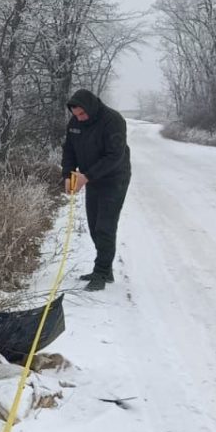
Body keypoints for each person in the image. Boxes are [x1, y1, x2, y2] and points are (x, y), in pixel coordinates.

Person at [60, 89, 131, 290]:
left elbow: (114, 156)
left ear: (90, 107)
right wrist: (68, 174)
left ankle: (101, 273)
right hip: (91, 179)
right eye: (76, 115)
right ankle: (104, 269)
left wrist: (87, 176)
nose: (79, 118)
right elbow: (69, 150)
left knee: (105, 226)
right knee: (93, 226)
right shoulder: (75, 124)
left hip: (114, 178)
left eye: (82, 114)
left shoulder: (113, 120)